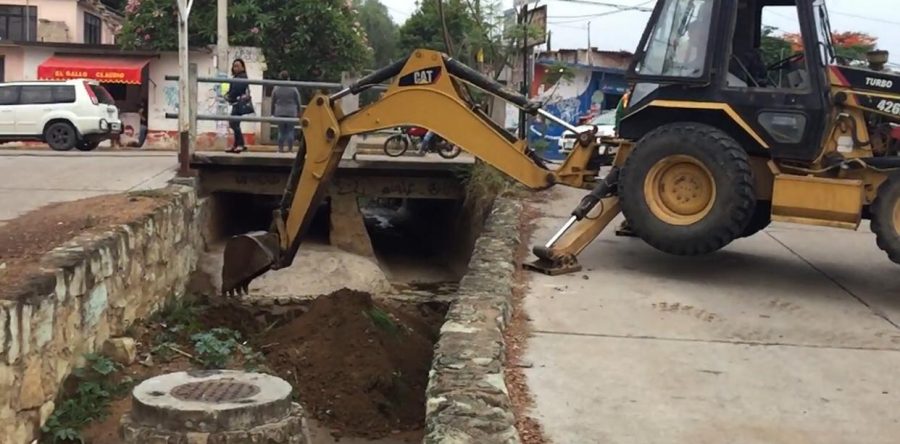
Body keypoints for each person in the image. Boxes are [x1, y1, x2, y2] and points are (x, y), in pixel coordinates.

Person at [270, 70, 302, 153]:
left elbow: (273, 100)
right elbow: (298, 100)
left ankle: (280, 149)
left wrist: (272, 112)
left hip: (279, 111)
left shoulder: (276, 88)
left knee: (281, 131)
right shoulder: (293, 87)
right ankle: (290, 149)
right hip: (291, 112)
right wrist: (299, 111)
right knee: (290, 130)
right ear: (288, 78)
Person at [225, 59, 250, 153]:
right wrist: (228, 94)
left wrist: (229, 96)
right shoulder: (236, 77)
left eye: (237, 66)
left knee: (233, 123)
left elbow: (237, 90)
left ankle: (240, 144)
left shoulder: (242, 77)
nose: (235, 68)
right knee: (235, 124)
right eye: (234, 66)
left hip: (239, 103)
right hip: (236, 103)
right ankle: (237, 145)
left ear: (242, 67)